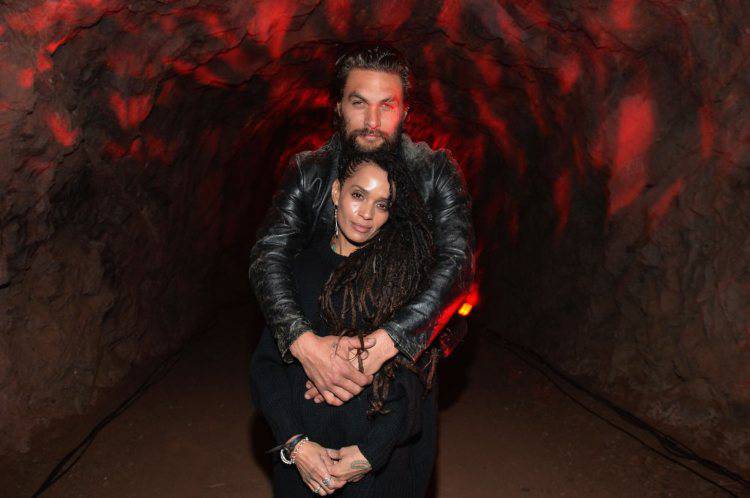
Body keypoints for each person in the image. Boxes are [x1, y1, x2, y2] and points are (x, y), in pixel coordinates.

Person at [248, 42, 474, 408]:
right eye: (359, 102)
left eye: (386, 105)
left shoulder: (435, 173)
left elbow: (458, 263)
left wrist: (385, 344)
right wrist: (305, 345)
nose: (372, 121)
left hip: (407, 368)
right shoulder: (309, 172)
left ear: (405, 112)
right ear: (338, 107)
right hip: (317, 368)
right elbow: (269, 255)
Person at [250, 150, 440, 496]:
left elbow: (416, 384)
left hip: (378, 474)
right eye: (358, 195)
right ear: (337, 192)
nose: (367, 214)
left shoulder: (401, 278)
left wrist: (370, 454)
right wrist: (296, 445)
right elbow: (267, 368)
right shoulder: (295, 269)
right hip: (303, 470)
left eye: (382, 204)